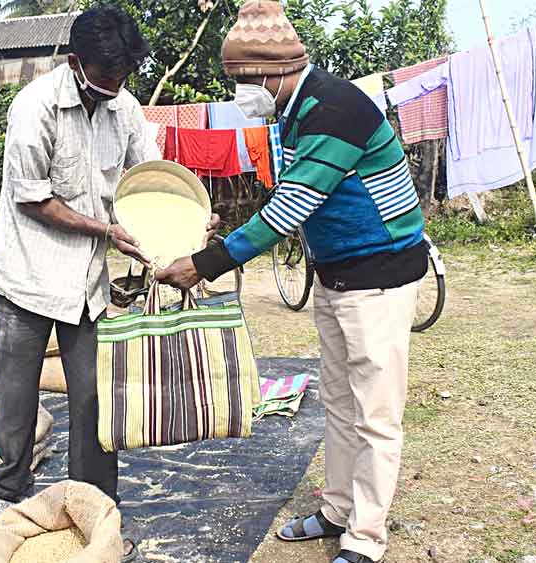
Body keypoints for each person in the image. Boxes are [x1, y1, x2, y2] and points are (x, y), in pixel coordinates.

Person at [155, 2, 426, 563]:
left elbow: (291, 207)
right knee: (337, 398)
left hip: (379, 275)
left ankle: (366, 538)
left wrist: (204, 262)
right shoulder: (293, 110)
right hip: (337, 273)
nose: (238, 95)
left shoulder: (333, 109)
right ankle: (336, 510)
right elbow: (291, 198)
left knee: (374, 411)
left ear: (271, 72)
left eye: (241, 82)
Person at [0, 6, 219, 546]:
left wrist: (188, 220)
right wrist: (106, 230)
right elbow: (35, 199)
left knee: (95, 398)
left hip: (86, 286)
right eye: (107, 79)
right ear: (75, 63)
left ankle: (94, 507)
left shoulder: (125, 108)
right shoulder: (34, 108)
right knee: (16, 397)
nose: (115, 90)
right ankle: (7, 488)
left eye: (123, 79)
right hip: (28, 276)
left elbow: (150, 180)